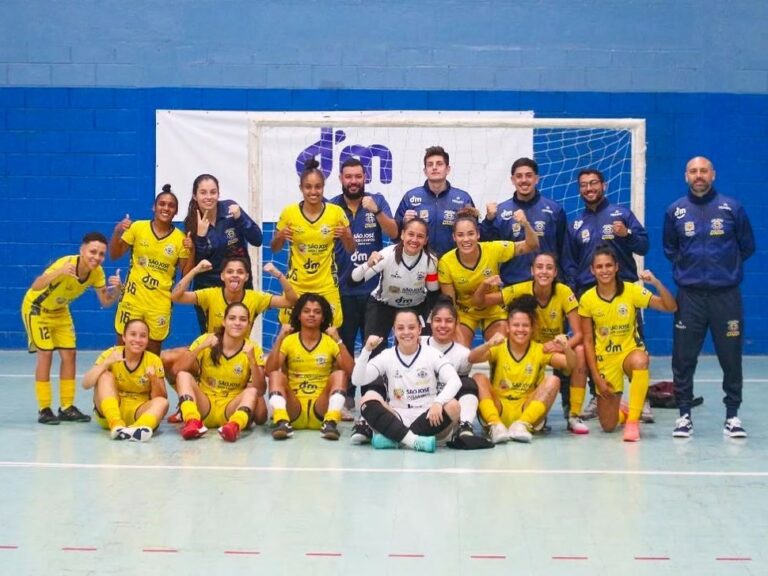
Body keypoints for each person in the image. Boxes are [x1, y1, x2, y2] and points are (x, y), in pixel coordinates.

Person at [663, 156, 756, 438]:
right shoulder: (675, 211)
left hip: (725, 296)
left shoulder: (732, 208)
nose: (699, 175)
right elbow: (670, 249)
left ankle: (732, 416)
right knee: (683, 357)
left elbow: (747, 247)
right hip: (689, 297)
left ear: (713, 175)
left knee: (730, 357)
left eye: (704, 170)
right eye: (693, 171)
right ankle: (684, 415)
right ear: (686, 176)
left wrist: (723, 270)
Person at [562, 168, 649, 419]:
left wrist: (627, 234)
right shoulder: (576, 223)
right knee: (595, 349)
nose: (589, 189)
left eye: (593, 184)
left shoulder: (622, 214)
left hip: (623, 293)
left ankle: (640, 400)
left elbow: (643, 246)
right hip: (589, 296)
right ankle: (597, 395)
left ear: (604, 185)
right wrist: (576, 291)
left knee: (634, 344)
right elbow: (569, 261)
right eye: (584, 185)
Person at [472, 252, 589, 434]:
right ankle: (495, 417)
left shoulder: (563, 292)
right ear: (532, 271)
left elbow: (579, 334)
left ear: (556, 272)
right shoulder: (520, 290)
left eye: (549, 267)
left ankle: (574, 414)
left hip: (547, 349)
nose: (544, 271)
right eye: (539, 267)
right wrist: (484, 286)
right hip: (523, 346)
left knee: (577, 353)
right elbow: (480, 302)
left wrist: (563, 345)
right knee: (484, 373)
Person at [21, 232, 122, 425]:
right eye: (93, 251)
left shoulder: (97, 272)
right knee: (46, 355)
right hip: (37, 308)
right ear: (82, 250)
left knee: (70, 355)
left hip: (60, 310)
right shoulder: (65, 263)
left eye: (101, 254)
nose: (96, 257)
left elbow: (105, 301)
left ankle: (67, 407)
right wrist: (59, 273)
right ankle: (44, 408)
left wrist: (117, 289)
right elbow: (35, 286)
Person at [578, 246, 677, 442]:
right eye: (599, 266)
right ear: (592, 270)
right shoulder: (587, 299)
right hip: (605, 359)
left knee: (641, 360)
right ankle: (623, 409)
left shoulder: (631, 291)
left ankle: (633, 422)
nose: (604, 270)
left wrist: (655, 283)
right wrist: (596, 377)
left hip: (629, 353)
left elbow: (670, 306)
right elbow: (588, 340)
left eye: (608, 265)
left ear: (616, 267)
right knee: (608, 426)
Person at [329, 157, 398, 414]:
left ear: (365, 177)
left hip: (375, 293)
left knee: (376, 347)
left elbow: (394, 234)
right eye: (349, 177)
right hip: (342, 290)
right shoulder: (331, 207)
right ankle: (345, 397)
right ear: (341, 179)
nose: (354, 181)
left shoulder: (376, 201)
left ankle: (376, 398)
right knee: (344, 346)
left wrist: (377, 212)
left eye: (358, 176)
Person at [352, 310, 462, 453]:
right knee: (367, 400)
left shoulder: (432, 354)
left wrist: (438, 402)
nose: (406, 332)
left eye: (411, 327)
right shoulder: (387, 355)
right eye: (400, 328)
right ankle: (413, 441)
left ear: (419, 330)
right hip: (397, 415)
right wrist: (366, 350)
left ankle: (395, 439)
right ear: (394, 331)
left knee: (453, 406)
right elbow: (357, 380)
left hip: (428, 415)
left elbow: (455, 381)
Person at [469, 295, 575, 443]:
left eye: (525, 325)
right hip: (498, 408)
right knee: (478, 377)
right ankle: (495, 425)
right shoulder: (499, 347)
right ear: (508, 327)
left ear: (532, 328)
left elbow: (570, 366)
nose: (520, 329)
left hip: (527, 410)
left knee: (553, 380)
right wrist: (488, 344)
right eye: (516, 325)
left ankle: (521, 425)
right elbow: (472, 359)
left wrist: (567, 347)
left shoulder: (540, 350)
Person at [271, 159, 355, 329]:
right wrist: (279, 237)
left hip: (326, 285)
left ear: (323, 187)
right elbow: (274, 248)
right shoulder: (289, 213)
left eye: (318, 187)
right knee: (288, 332)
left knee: (331, 332)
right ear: (301, 188)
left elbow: (351, 248)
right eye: (308, 187)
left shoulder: (336, 212)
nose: (313, 191)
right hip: (296, 285)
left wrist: (347, 236)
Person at [438, 208, 539, 347]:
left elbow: (532, 245)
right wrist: (455, 328)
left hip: (493, 309)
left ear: (478, 234)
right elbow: (450, 304)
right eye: (460, 235)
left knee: (501, 347)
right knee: (458, 350)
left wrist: (526, 224)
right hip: (466, 312)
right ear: (454, 237)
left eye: (471, 234)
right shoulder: (446, 262)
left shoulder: (492, 249)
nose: (466, 239)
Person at [110, 184, 192, 354]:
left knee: (152, 356)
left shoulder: (180, 238)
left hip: (159, 303)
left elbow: (186, 273)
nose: (166, 208)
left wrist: (191, 250)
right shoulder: (137, 228)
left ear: (176, 211)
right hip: (132, 300)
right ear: (154, 207)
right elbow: (115, 254)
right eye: (162, 204)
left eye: (171, 205)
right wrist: (117, 231)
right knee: (122, 351)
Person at [172, 302, 268, 442]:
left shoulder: (253, 348)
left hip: (230, 408)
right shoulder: (206, 339)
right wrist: (200, 348)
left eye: (242, 319)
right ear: (224, 321)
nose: (237, 323)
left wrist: (253, 362)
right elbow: (176, 370)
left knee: (251, 391)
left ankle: (234, 426)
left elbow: (260, 390)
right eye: (232, 318)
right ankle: (192, 421)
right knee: (183, 376)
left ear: (249, 324)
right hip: (205, 405)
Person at [265, 293, 354, 441]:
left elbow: (352, 372)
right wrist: (280, 338)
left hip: (321, 409)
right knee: (276, 375)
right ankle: (282, 421)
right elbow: (269, 371)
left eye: (317, 312)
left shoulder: (330, 341)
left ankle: (331, 422)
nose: (311, 315)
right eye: (306, 311)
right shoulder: (289, 341)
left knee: (340, 375)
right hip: (294, 409)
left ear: (323, 317)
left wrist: (338, 340)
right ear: (299, 315)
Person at [183, 173, 264, 333]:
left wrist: (241, 218)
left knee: (240, 333)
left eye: (213, 192)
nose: (208, 197)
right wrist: (200, 237)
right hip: (209, 288)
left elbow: (257, 239)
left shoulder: (230, 209)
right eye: (203, 192)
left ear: (218, 193)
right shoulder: (191, 223)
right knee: (212, 338)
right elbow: (200, 263)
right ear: (195, 195)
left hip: (239, 283)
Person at [351, 217, 439, 357]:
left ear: (426, 240)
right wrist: (367, 264)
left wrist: (428, 318)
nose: (414, 240)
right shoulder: (386, 255)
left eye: (420, 236)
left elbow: (433, 292)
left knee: (418, 352)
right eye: (411, 234)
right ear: (403, 234)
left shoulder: (431, 261)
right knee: (374, 349)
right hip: (383, 305)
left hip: (415, 307)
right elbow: (355, 280)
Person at [480, 157, 567, 284]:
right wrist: (488, 220)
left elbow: (564, 251)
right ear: (512, 180)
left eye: (529, 176)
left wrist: (564, 282)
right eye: (519, 176)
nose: (524, 180)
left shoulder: (554, 210)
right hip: (512, 284)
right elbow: (485, 247)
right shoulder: (500, 212)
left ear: (536, 179)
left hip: (546, 284)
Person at [82, 319, 169, 442]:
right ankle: (116, 425)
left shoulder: (153, 360)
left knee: (162, 402)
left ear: (148, 340)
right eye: (133, 334)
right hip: (111, 411)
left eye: (143, 336)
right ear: (124, 337)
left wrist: (154, 379)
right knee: (104, 376)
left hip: (138, 411)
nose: (138, 340)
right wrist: (106, 363)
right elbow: (86, 384)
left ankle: (136, 429)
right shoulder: (112, 354)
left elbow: (160, 397)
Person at [395, 146, 475, 257]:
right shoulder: (410, 197)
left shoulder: (463, 198)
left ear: (448, 169)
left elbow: (475, 234)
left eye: (439, 164)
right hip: (419, 264)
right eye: (430, 164)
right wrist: (404, 223)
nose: (434, 168)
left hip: (453, 263)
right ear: (425, 171)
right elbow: (395, 235)